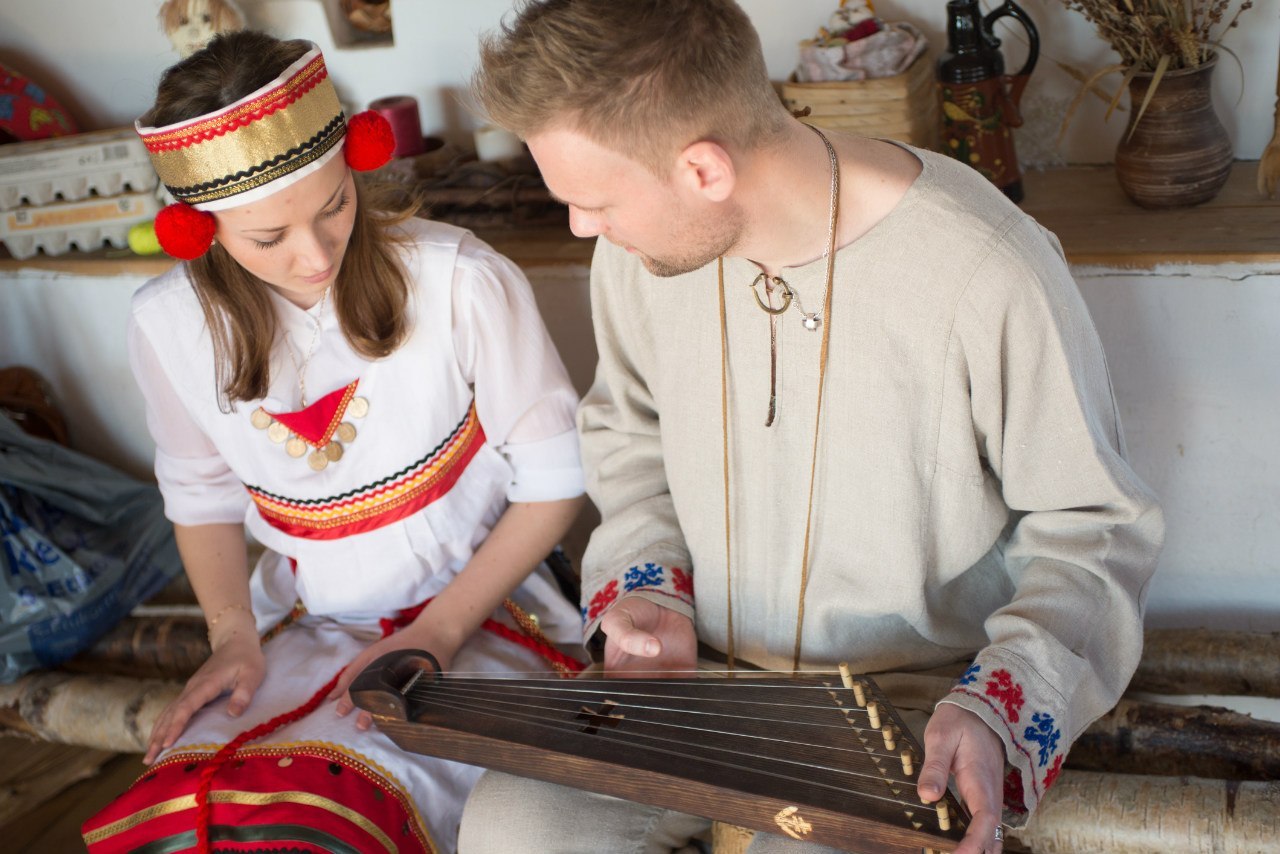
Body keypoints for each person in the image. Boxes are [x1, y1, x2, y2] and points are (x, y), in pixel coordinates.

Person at [459, 2, 1164, 853]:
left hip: (911, 703)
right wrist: (648, 590)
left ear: (704, 169)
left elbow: (1094, 528)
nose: (582, 225)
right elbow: (630, 432)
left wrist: (995, 704)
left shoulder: (986, 271)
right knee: (515, 822)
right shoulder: (639, 255)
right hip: (695, 684)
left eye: (594, 201)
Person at [81, 30, 586, 854]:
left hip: (486, 613)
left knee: (335, 818)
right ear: (199, 230)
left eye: (334, 206)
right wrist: (231, 637)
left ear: (357, 163)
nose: (316, 255)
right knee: (198, 819)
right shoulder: (168, 325)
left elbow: (553, 482)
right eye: (268, 238)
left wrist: (438, 633)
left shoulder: (459, 279)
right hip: (304, 622)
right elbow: (202, 497)